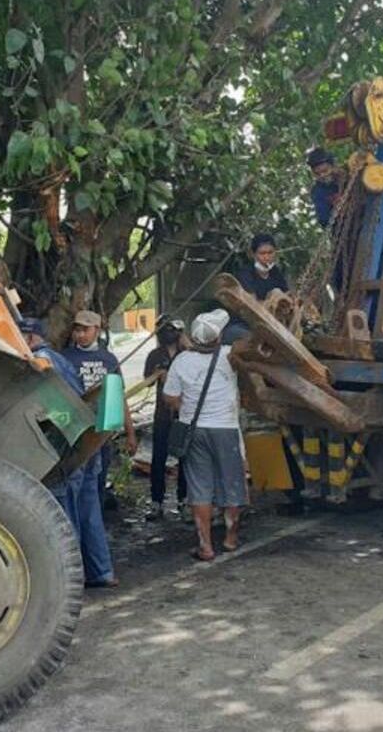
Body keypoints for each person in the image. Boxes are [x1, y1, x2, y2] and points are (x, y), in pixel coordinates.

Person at [20, 317, 118, 589]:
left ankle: (72, 579)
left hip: (68, 446)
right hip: (89, 440)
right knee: (89, 510)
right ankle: (101, 571)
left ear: (29, 339)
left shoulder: (40, 363)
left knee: (66, 513)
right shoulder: (59, 359)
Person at [162, 309, 247, 561]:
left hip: (194, 430)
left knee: (199, 487)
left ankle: (206, 546)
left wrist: (186, 407)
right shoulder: (229, 356)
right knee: (231, 483)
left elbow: (170, 398)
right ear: (218, 337)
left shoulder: (181, 361)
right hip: (226, 430)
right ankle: (230, 539)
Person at [62, 310, 137, 513]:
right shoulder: (65, 358)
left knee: (98, 481)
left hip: (103, 434)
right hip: (76, 433)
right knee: (74, 484)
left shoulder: (109, 360)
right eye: (77, 329)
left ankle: (96, 522)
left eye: (85, 330)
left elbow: (119, 397)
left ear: (97, 330)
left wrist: (130, 433)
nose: (80, 334)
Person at [144, 317, 188, 521]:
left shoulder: (187, 354)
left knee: (185, 458)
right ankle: (156, 501)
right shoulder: (154, 355)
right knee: (158, 458)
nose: (166, 334)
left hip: (183, 414)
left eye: (170, 330)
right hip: (162, 414)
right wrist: (157, 375)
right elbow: (146, 383)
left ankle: (184, 499)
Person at [223, 233, 290, 345]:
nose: (266, 257)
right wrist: (273, 300)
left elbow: (286, 295)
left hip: (270, 326)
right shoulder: (245, 274)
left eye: (270, 253)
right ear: (253, 255)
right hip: (244, 325)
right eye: (262, 253)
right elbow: (252, 306)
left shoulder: (276, 273)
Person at [307, 147, 341, 228]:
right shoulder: (318, 192)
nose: (322, 175)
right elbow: (324, 220)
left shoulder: (348, 175)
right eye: (317, 174)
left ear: (334, 166)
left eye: (325, 171)